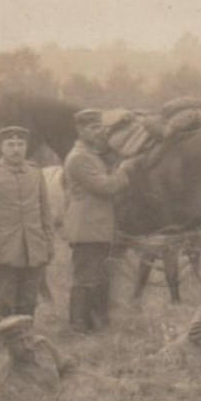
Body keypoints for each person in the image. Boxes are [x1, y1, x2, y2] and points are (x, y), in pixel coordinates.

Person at [64, 109, 140, 333]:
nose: (98, 132)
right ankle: (78, 326)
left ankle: (96, 324)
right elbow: (105, 187)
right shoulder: (79, 158)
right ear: (80, 130)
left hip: (98, 227)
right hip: (86, 227)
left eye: (99, 127)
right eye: (92, 128)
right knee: (85, 278)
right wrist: (126, 169)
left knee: (99, 278)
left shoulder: (92, 154)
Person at [0, 125, 54, 322]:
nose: (16, 149)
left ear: (26, 147)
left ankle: (25, 338)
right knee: (4, 298)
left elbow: (45, 212)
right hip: (4, 249)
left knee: (29, 299)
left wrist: (48, 244)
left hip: (33, 248)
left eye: (20, 144)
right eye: (10, 144)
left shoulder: (35, 172)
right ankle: (3, 341)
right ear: (2, 147)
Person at [0, 315, 76, 399]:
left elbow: (69, 366)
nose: (28, 346)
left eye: (29, 339)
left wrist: (68, 388)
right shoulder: (5, 376)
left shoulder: (43, 345)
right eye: (19, 342)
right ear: (8, 346)